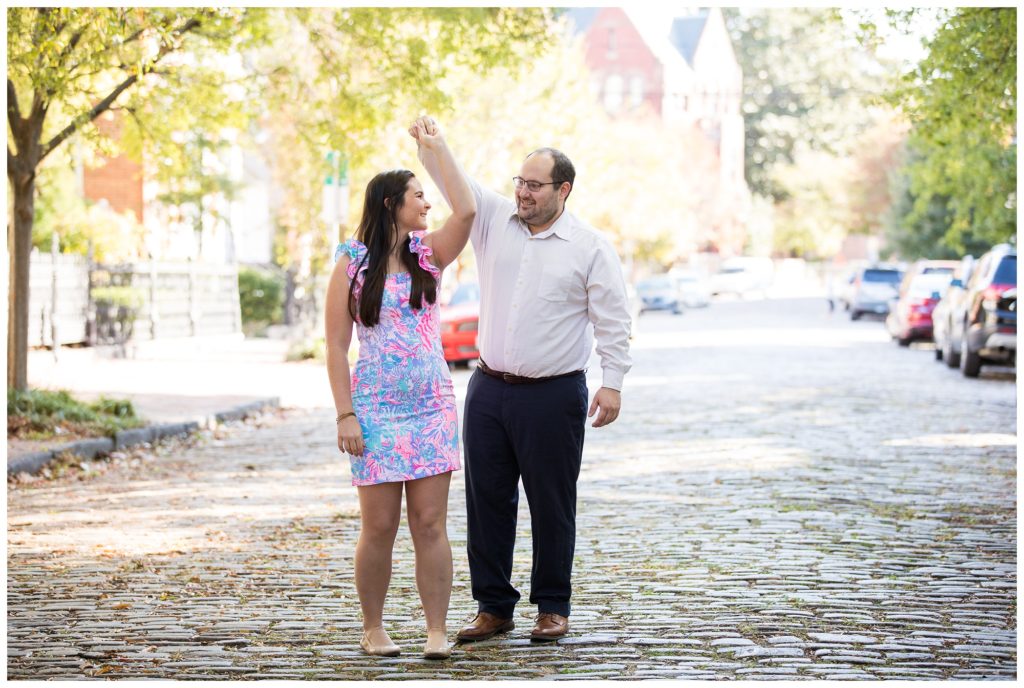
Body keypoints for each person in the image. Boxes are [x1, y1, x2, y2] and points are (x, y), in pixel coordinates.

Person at [415, 116, 632, 643]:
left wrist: (613, 381)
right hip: (488, 389)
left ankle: (553, 605)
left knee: (551, 501)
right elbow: (455, 184)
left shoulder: (590, 246)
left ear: (564, 189)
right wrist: (435, 145)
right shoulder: (493, 219)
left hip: (554, 393)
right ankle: (494, 607)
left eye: (534, 185)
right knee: (486, 501)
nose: (523, 192)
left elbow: (613, 318)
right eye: (519, 182)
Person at [324, 118, 475, 659]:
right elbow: (337, 346)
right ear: (391, 202)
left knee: (430, 522)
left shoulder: (427, 254)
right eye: (418, 195)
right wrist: (346, 415)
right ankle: (374, 627)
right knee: (380, 525)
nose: (426, 204)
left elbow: (468, 211)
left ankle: (436, 630)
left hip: (431, 407)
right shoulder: (351, 261)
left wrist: (438, 149)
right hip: (375, 412)